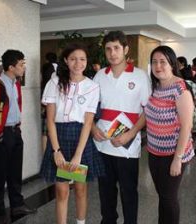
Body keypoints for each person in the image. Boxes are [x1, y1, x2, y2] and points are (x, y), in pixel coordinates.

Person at [40, 43, 104, 224]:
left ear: (87, 62)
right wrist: (56, 150)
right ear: (66, 61)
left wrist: (78, 155)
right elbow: (50, 120)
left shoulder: (92, 86)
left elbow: (88, 123)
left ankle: (80, 222)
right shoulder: (54, 83)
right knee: (61, 191)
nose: (78, 63)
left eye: (82, 59)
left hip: (80, 139)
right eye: (73, 59)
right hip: (58, 137)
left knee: (80, 188)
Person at [91, 30, 151, 224]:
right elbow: (88, 109)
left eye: (117, 48)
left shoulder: (140, 76)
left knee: (128, 190)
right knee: (105, 190)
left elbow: (146, 112)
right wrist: (92, 128)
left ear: (125, 49)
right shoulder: (100, 75)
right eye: (108, 49)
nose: (112, 53)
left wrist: (131, 134)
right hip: (102, 143)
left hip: (127, 144)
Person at [0, 50, 36, 224]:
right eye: (21, 64)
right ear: (11, 67)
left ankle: (17, 205)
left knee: (15, 172)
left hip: (15, 131)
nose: (24, 67)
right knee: (1, 174)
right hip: (2, 134)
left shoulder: (15, 83)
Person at [145, 46, 194, 224]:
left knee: (169, 198)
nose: (158, 66)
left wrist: (177, 158)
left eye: (163, 62)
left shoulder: (180, 89)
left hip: (173, 154)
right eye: (154, 62)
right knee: (163, 196)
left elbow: (186, 126)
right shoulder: (156, 87)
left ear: (172, 64)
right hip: (154, 152)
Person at [41, 52, 58, 151]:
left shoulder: (46, 67)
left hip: (48, 102)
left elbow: (43, 82)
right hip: (60, 106)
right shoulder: (61, 68)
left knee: (45, 132)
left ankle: (46, 154)